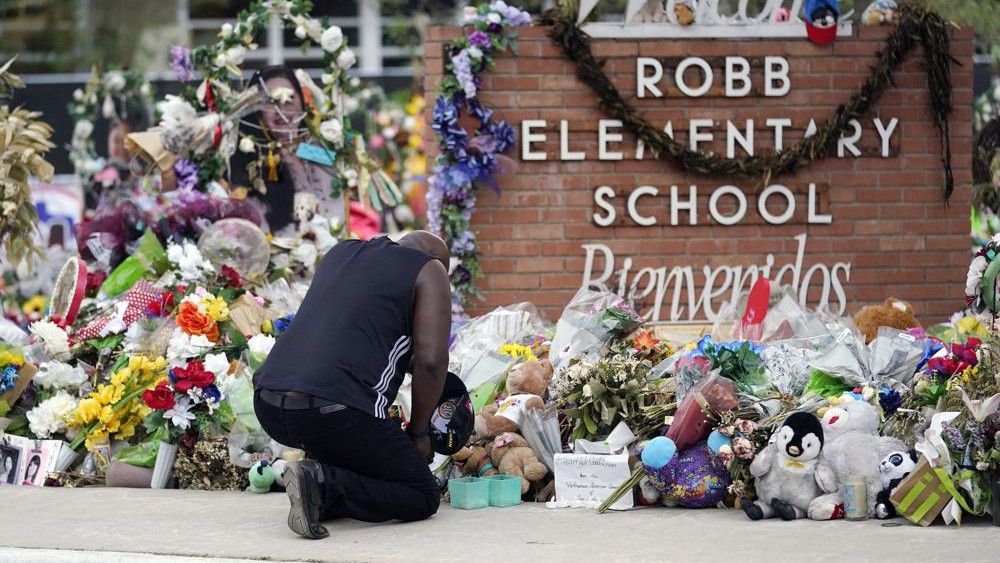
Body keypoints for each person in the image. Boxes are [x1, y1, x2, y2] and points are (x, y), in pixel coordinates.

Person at [253, 231, 451, 539]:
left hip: (268, 401)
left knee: (352, 445)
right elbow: (431, 361)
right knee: (421, 494)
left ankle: (315, 485)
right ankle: (321, 483)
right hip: (334, 410)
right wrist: (419, 432)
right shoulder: (429, 268)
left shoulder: (342, 252)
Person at [231, 64, 347, 235]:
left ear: (302, 101)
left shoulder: (317, 149)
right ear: (256, 111)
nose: (282, 110)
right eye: (271, 101)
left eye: (290, 98)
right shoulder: (248, 159)